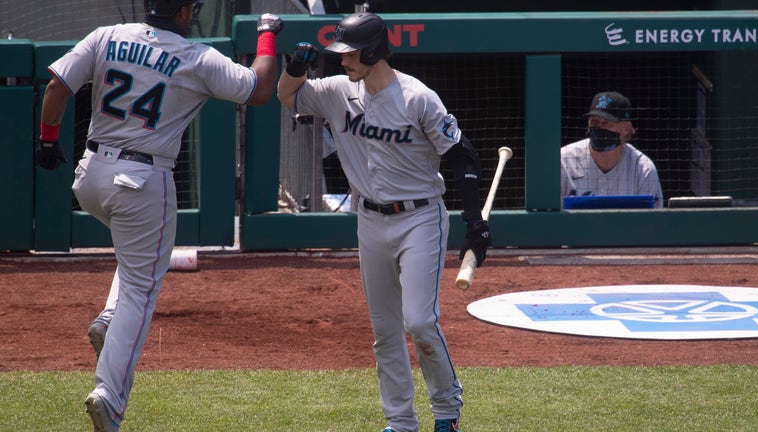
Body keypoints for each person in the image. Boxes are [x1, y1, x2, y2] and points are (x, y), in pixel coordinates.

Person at [35, 1, 283, 430]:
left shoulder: (107, 35)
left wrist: (47, 139)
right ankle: (109, 395)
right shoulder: (196, 57)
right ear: (185, 11)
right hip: (142, 180)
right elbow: (261, 89)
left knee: (135, 257)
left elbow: (56, 86)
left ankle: (109, 318)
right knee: (140, 290)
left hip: (91, 175)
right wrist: (267, 32)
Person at [277, 12, 490, 432]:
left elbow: (462, 156)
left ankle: (447, 410)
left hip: (420, 218)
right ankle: (400, 422)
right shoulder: (339, 91)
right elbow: (288, 96)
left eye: (351, 53)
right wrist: (295, 69)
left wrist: (474, 223)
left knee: (420, 321)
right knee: (385, 331)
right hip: (370, 221)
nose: (343, 61)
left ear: (373, 52)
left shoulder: (417, 98)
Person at [560, 91, 664, 208]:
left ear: (625, 129)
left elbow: (652, 221)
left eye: (606, 123)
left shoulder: (642, 169)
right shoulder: (564, 160)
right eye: (594, 121)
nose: (599, 127)